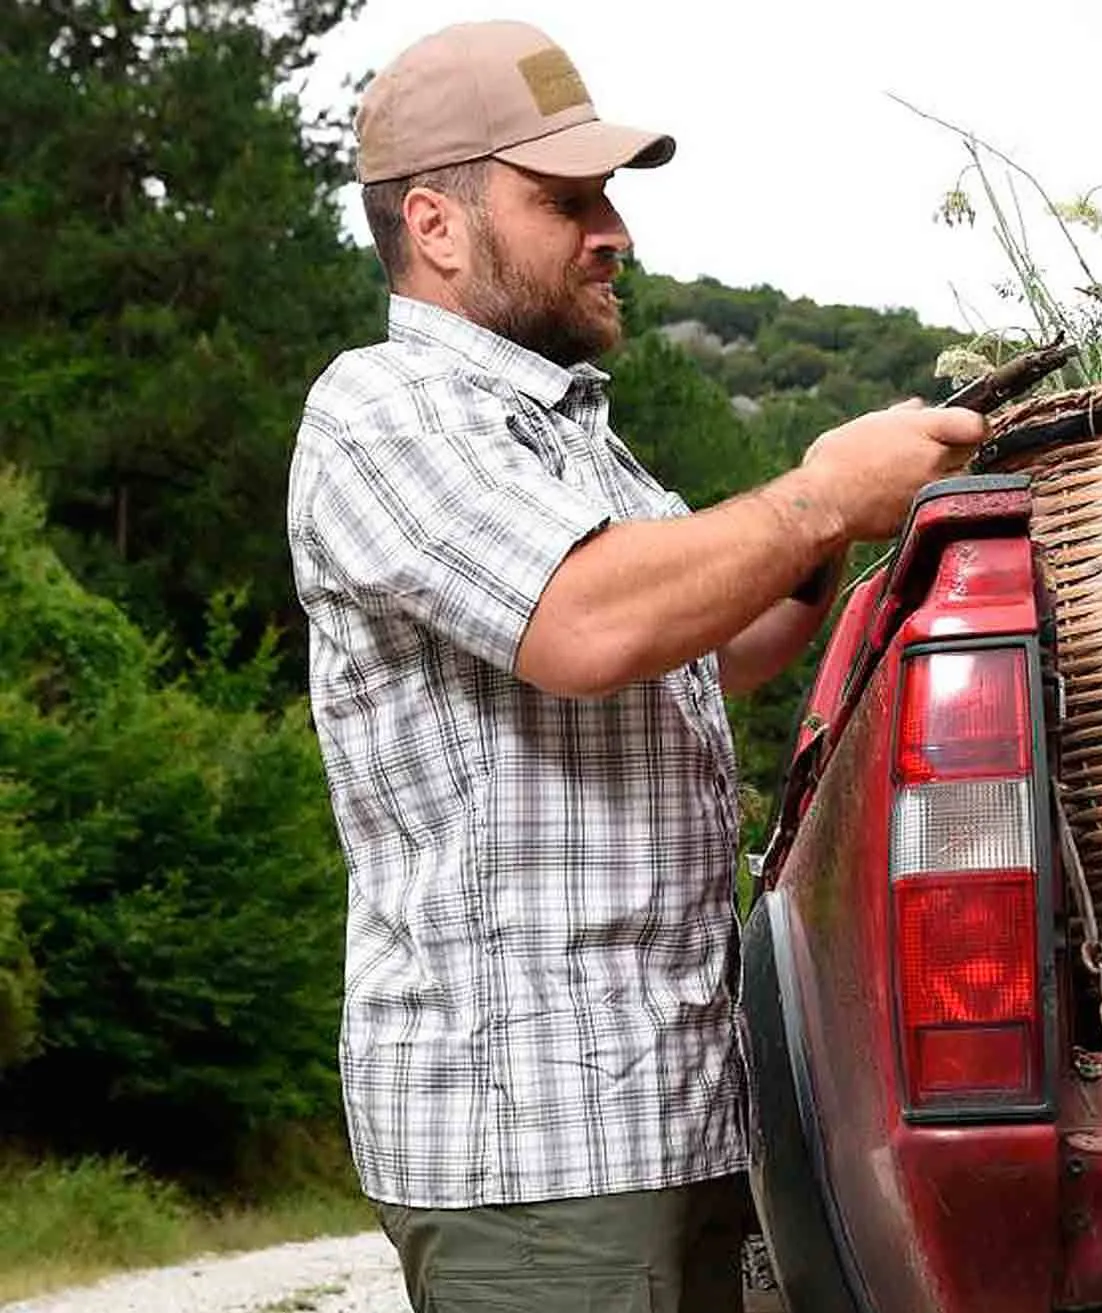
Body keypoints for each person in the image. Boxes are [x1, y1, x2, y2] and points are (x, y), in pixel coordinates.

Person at [287, 19, 986, 1313]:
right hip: (536, 1156)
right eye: (568, 200)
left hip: (671, 1125)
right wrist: (821, 497)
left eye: (609, 196)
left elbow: (726, 645)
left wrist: (850, 509)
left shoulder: (578, 443)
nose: (614, 230)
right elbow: (587, 626)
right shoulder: (384, 413)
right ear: (436, 224)